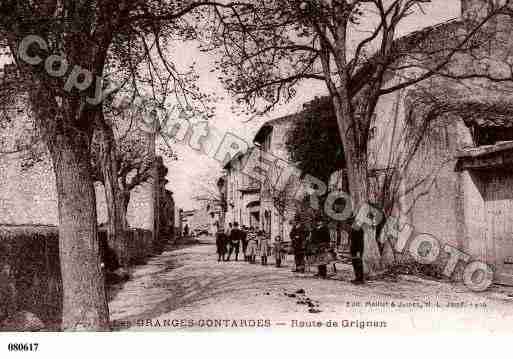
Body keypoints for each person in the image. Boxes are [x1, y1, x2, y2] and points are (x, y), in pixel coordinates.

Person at [350, 218, 365, 285]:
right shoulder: (353, 229)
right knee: (354, 264)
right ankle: (357, 278)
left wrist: (359, 251)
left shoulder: (359, 230)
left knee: (358, 264)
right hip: (354, 249)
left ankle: (360, 279)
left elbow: (360, 242)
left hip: (357, 249)